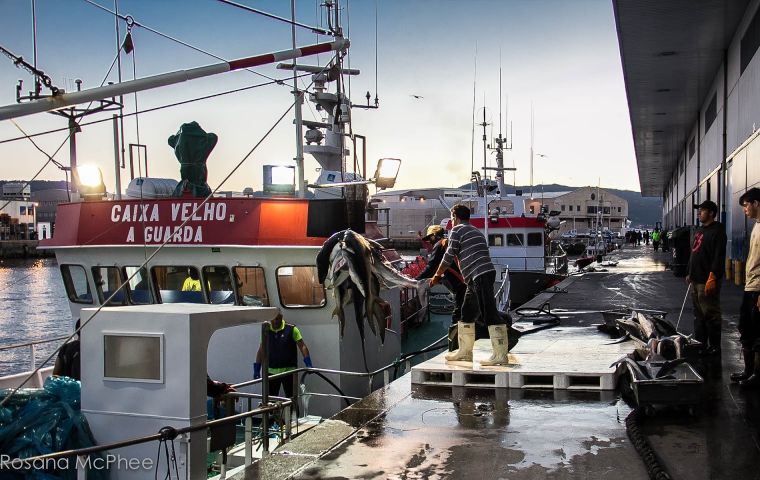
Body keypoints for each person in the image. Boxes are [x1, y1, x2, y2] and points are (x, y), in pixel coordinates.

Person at [430, 204, 509, 366]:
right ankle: (464, 353)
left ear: (455, 216)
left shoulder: (457, 230)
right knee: (466, 313)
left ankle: (500, 355)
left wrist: (436, 276)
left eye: (452, 217)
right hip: (475, 277)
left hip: (480, 276)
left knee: (489, 313)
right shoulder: (475, 230)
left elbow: (448, 256)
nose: (452, 220)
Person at [687, 200, 727, 356]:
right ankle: (700, 344)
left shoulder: (718, 231)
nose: (699, 213)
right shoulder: (699, 230)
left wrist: (713, 276)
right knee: (698, 315)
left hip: (707, 279)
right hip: (695, 279)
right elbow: (694, 252)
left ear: (711, 213)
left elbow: (718, 255)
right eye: (699, 210)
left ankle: (715, 346)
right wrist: (689, 272)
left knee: (710, 314)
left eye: (702, 210)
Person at [733, 188, 760, 387]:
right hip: (750, 286)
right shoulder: (756, 226)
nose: (745, 210)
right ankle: (748, 371)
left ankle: (757, 375)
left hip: (759, 288)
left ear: (756, 203)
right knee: (746, 329)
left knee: (758, 332)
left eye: (746, 206)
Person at [254, 312, 313, 401]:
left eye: (277, 319)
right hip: (271, 373)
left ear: (281, 318)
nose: (275, 321)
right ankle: (271, 415)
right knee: (270, 401)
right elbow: (261, 350)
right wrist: (257, 368)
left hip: (289, 372)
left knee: (292, 400)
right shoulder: (266, 331)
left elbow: (302, 346)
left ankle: (293, 414)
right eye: (273, 319)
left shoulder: (292, 329)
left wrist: (308, 363)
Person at [415, 225, 466, 324]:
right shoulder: (447, 243)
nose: (429, 241)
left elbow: (431, 266)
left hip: (461, 286)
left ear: (434, 236)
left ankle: (457, 337)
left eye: (429, 238)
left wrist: (416, 279)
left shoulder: (440, 245)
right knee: (465, 312)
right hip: (465, 283)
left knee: (459, 316)